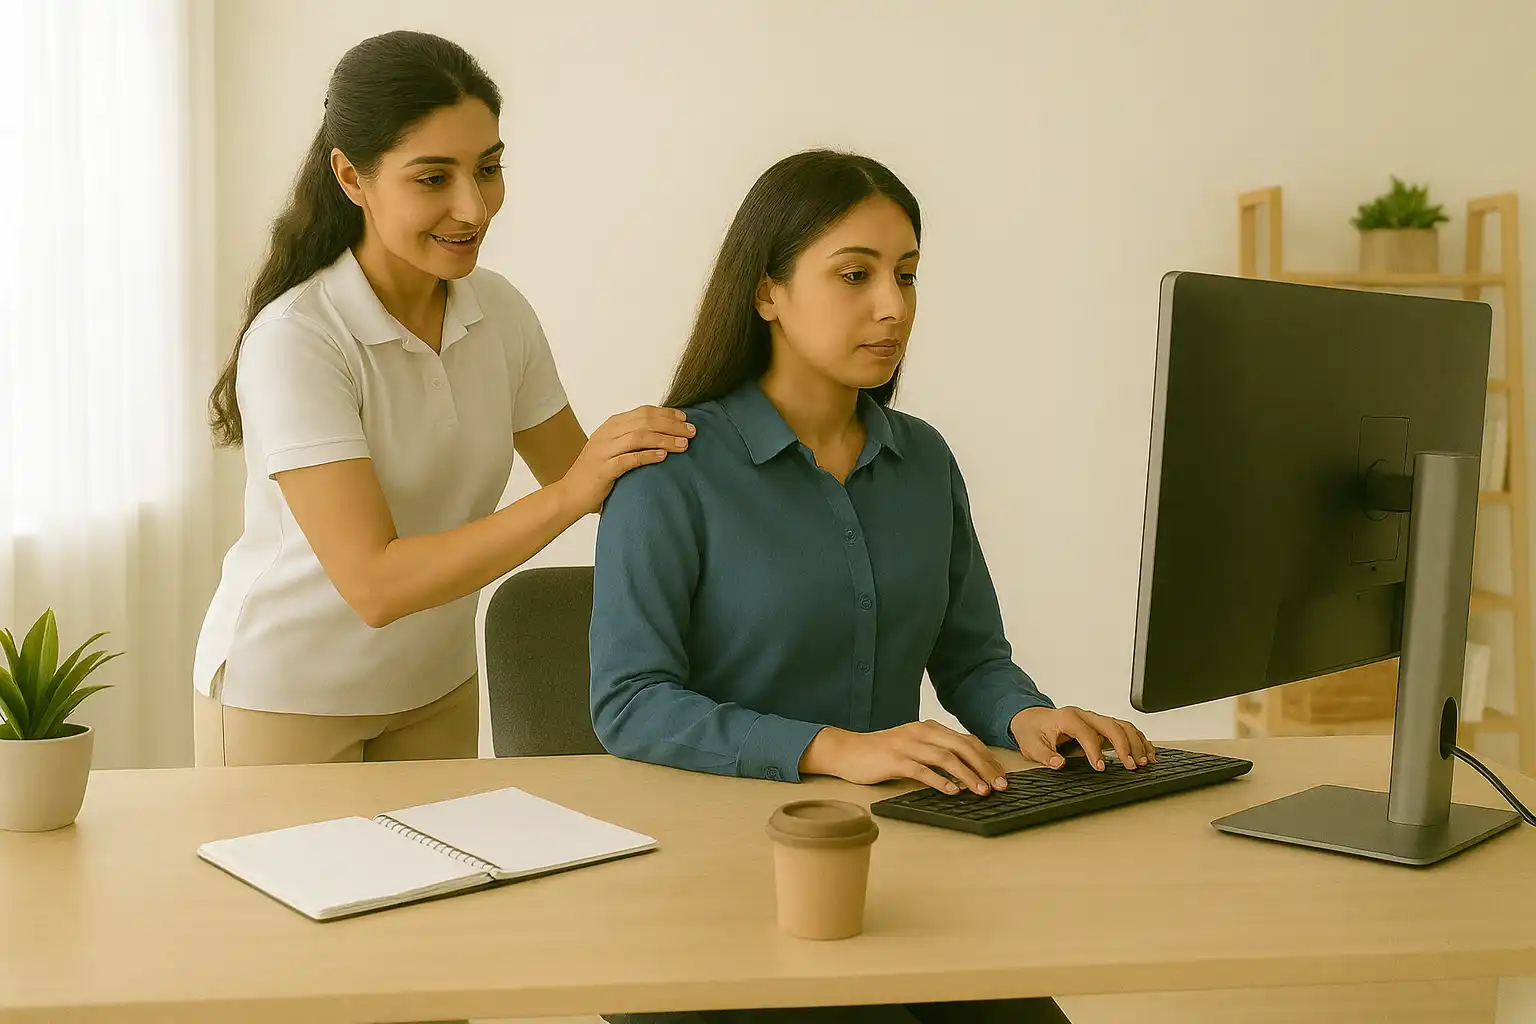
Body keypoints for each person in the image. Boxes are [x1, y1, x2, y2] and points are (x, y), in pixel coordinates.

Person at [588, 149, 1157, 1024]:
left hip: (898, 864)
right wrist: (836, 748)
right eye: (854, 275)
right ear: (767, 291)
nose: (892, 306)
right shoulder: (670, 470)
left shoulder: (922, 459)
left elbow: (971, 658)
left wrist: (1026, 717)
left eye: (907, 275)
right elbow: (628, 703)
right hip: (722, 882)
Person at [192, 30, 693, 768]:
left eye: (488, 169)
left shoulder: (499, 311)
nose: (473, 207)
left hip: (436, 689)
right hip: (288, 701)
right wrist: (575, 491)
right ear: (352, 177)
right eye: (433, 178)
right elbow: (375, 584)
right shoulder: (299, 339)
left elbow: (587, 479)